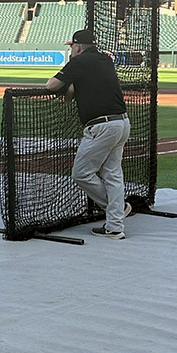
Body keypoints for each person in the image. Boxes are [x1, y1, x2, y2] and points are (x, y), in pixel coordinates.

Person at [45, 28, 132, 239]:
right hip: (122, 123)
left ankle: (117, 210)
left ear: (77, 46)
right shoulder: (105, 60)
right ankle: (114, 227)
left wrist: (69, 70)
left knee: (81, 173)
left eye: (72, 47)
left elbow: (51, 85)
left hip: (101, 127)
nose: (71, 50)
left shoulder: (79, 62)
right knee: (112, 174)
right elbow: (72, 92)